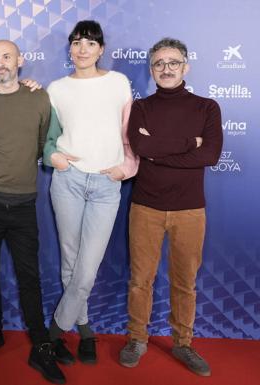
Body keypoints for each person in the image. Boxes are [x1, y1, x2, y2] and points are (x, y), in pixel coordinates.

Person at [119, 38, 222, 377]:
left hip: (190, 210)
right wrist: (187, 145)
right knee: (140, 280)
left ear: (185, 67)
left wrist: (159, 150)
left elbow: (209, 155)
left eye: (173, 62)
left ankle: (183, 342)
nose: (166, 69)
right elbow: (142, 146)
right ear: (152, 69)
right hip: (146, 207)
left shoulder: (207, 108)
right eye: (159, 63)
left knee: (184, 282)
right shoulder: (141, 108)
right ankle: (137, 338)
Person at [0, 39, 65, 384]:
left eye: (6, 57)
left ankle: (40, 345)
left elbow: (43, 143)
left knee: (30, 277)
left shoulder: (39, 97)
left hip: (24, 203)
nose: (0, 63)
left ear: (20, 61)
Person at [43, 20, 138, 365]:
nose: (82, 48)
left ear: (101, 49)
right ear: (70, 48)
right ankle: (85, 331)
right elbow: (47, 137)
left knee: (87, 266)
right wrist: (53, 156)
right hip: (68, 180)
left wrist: (125, 169)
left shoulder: (118, 83)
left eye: (90, 43)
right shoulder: (56, 89)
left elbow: (130, 136)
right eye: (76, 42)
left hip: (105, 184)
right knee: (70, 262)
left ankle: (52, 335)